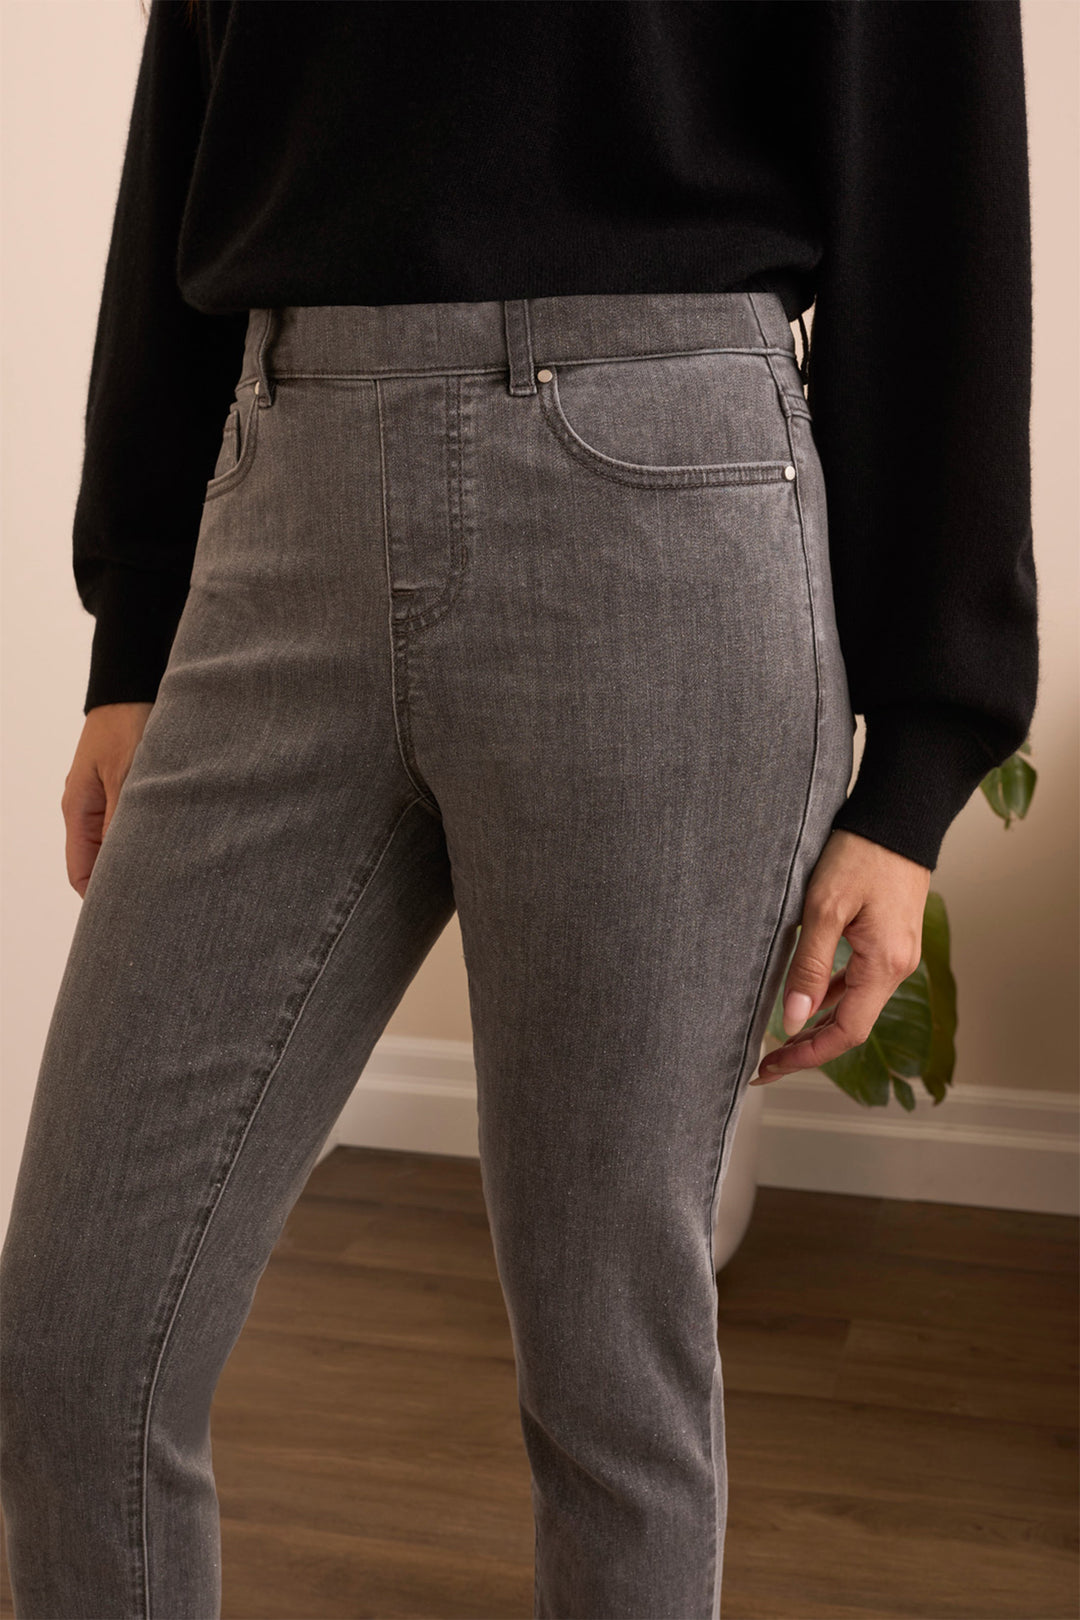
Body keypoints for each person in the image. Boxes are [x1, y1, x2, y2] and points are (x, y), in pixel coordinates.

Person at [0, 2, 1037, 1616]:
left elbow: (938, 186)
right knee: (74, 1338)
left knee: (607, 1373)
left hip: (657, 498)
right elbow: (186, 112)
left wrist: (914, 768)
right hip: (281, 494)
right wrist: (137, 629)